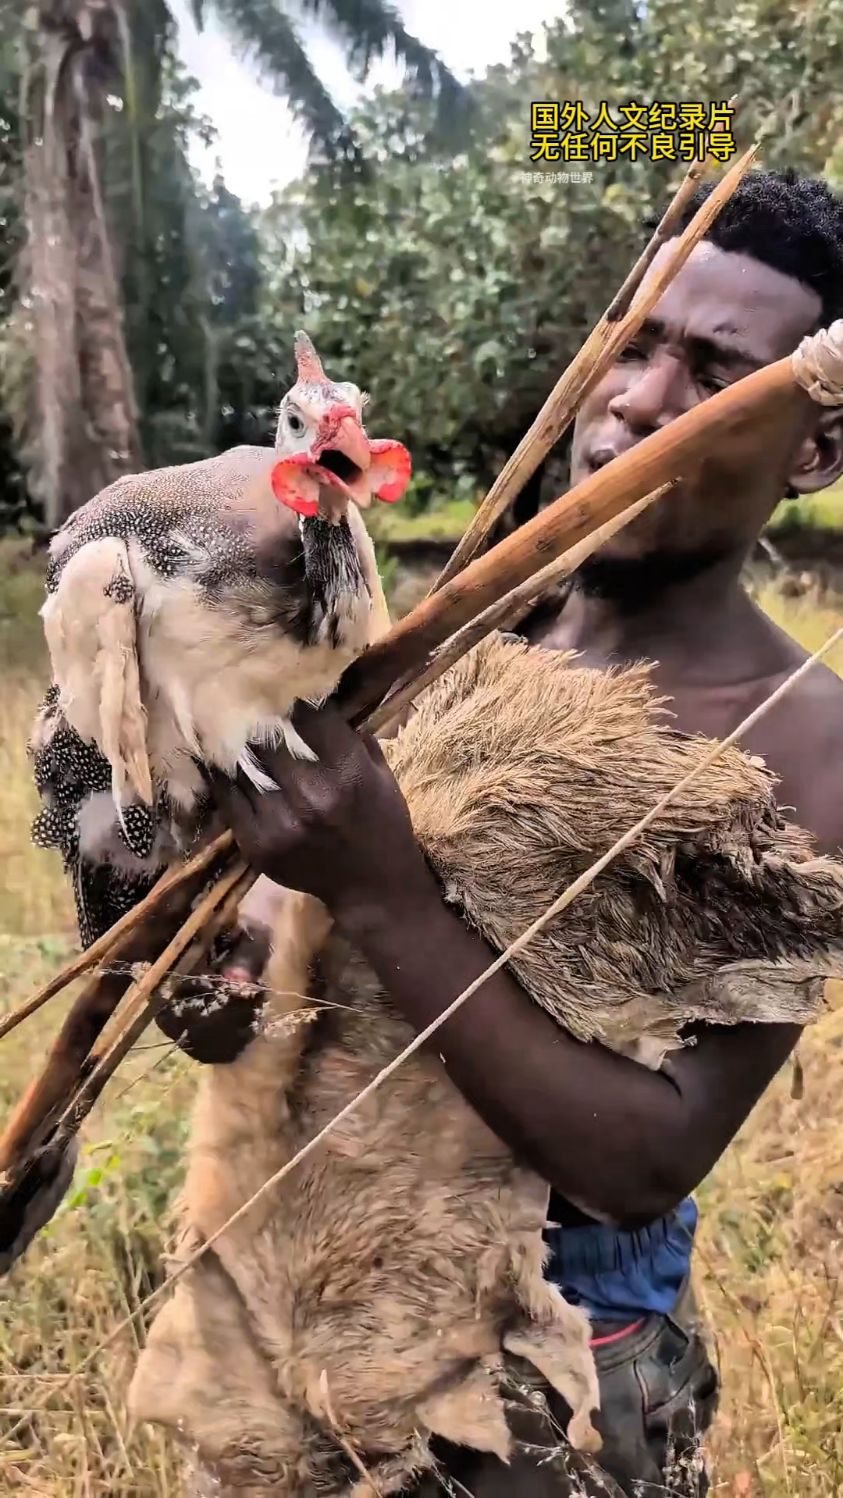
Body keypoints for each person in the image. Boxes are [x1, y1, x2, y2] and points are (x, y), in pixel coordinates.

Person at [8, 168, 843, 1494]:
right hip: (291, 1357)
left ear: (814, 447)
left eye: (712, 370)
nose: (640, 397)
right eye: (634, 340)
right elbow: (276, 981)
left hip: (544, 1404)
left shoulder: (804, 739)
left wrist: (388, 893)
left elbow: (647, 1160)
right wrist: (199, 955)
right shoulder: (444, 635)